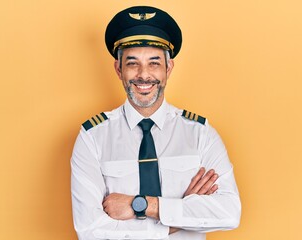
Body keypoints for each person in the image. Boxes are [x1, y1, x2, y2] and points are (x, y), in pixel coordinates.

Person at [71, 5, 241, 240]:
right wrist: (179, 214)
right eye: (132, 63)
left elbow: (229, 212)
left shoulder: (201, 135)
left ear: (168, 68)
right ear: (118, 70)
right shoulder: (92, 138)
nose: (143, 75)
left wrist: (141, 205)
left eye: (154, 63)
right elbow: (90, 231)